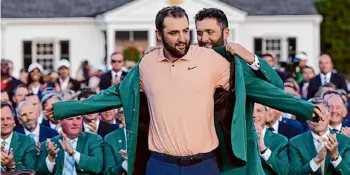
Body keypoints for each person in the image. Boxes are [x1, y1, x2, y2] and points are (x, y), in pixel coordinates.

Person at [45, 7, 323, 175]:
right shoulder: (147, 65)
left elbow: (260, 88)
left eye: (185, 31)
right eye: (174, 33)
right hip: (159, 165)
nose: (183, 38)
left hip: (205, 165)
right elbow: (111, 95)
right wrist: (63, 109)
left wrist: (306, 108)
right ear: (158, 34)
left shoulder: (212, 61)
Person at [289, 97, 350, 175]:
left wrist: (336, 157)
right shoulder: (295, 143)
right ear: (307, 120)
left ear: (329, 116)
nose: (318, 118)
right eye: (313, 115)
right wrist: (316, 160)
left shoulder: (345, 141)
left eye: (322, 113)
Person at [37, 116, 103, 175]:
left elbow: (97, 167)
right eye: (70, 119)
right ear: (60, 122)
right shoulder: (49, 144)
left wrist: (72, 153)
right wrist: (51, 158)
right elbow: (41, 172)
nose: (75, 123)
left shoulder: (94, 139)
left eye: (78, 118)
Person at [253, 103, 289, 175]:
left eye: (259, 111)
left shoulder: (280, 141)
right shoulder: (235, 138)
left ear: (267, 114)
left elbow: (284, 172)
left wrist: (264, 149)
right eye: (250, 111)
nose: (254, 115)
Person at [1, 102, 36, 171]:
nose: (6, 123)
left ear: (14, 120)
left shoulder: (27, 142)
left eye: (8, 118)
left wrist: (12, 165)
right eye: (1, 119)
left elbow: (31, 171)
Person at [103, 111, 130, 175]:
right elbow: (108, 173)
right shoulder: (110, 138)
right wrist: (126, 163)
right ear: (120, 117)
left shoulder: (148, 136)